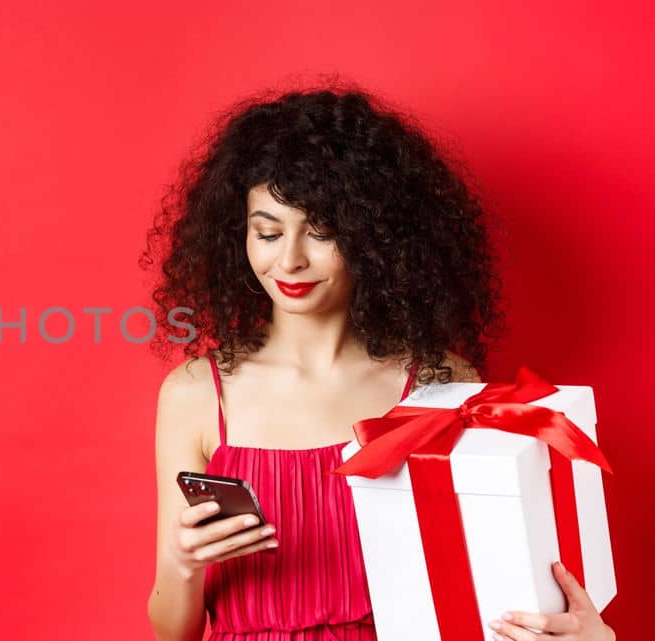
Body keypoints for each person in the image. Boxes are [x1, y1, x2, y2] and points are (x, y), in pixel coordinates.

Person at [138, 86, 615, 641]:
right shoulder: (197, 394)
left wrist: (588, 634)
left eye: (321, 232)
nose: (288, 259)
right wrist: (184, 564)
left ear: (372, 238)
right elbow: (172, 633)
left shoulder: (441, 385)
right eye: (267, 232)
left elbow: (494, 578)